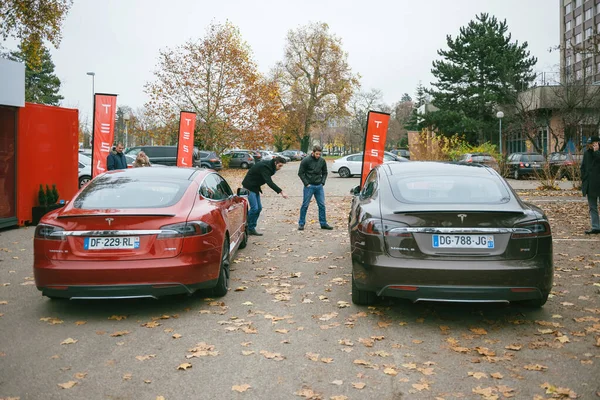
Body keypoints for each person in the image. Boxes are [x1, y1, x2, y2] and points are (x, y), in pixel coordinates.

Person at [241, 156, 288, 236]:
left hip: (255, 187)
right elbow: (269, 182)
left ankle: (251, 228)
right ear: (275, 162)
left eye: (282, 166)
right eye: (279, 166)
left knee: (259, 208)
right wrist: (281, 191)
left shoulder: (271, 166)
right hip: (249, 186)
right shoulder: (265, 167)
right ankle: (244, 225)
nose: (280, 168)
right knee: (254, 208)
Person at [297, 145, 333, 230]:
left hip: (319, 186)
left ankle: (323, 223)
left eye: (319, 154)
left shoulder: (322, 161)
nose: (318, 156)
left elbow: (325, 172)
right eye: (317, 154)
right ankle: (301, 223)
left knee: (322, 205)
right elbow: (300, 173)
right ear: (313, 152)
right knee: (305, 205)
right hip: (309, 186)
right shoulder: (306, 160)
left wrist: (322, 182)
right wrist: (306, 184)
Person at [581, 136, 600, 234]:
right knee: (592, 207)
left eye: (594, 144)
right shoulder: (587, 153)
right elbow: (583, 167)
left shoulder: (598, 153)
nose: (592, 146)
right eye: (591, 144)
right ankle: (596, 227)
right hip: (590, 184)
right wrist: (584, 178)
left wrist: (597, 152)